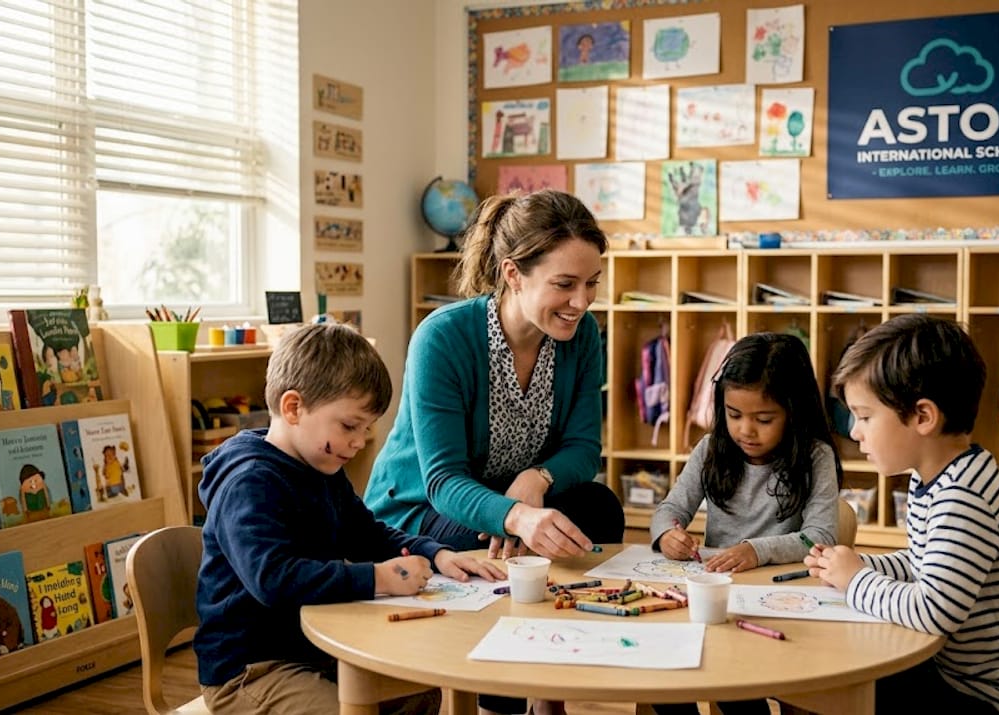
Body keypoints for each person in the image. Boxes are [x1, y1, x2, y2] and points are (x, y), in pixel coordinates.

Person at [365, 189, 624, 715]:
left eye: (592, 282)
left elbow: (583, 448)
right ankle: (501, 695)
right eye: (565, 284)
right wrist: (517, 516)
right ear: (512, 274)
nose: (582, 301)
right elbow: (442, 481)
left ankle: (551, 673)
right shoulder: (443, 337)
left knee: (599, 508)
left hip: (510, 504)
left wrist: (538, 479)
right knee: (499, 545)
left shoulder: (582, 334)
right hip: (426, 510)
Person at [195, 323, 504, 715]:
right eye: (349, 426)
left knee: (421, 691)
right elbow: (273, 579)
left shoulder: (320, 466)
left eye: (367, 428)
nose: (359, 442)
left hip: (314, 650)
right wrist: (376, 578)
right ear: (293, 408)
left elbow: (366, 532)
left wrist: (435, 553)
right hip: (249, 670)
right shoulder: (249, 482)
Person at [807, 314, 999, 714]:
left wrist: (857, 579)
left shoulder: (964, 497)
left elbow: (933, 611)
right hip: (964, 677)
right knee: (849, 667)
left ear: (923, 417)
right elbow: (925, 561)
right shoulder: (937, 477)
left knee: (844, 682)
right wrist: (861, 565)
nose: (854, 431)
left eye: (864, 416)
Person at [648, 332, 841, 715]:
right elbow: (669, 509)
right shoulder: (711, 448)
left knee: (740, 687)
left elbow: (820, 537)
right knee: (665, 680)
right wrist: (667, 532)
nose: (745, 431)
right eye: (734, 415)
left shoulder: (815, 457)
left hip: (783, 606)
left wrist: (757, 550)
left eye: (764, 419)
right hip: (719, 602)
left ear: (794, 410)